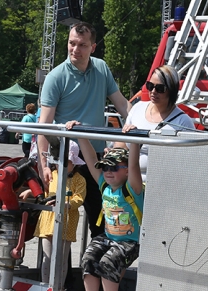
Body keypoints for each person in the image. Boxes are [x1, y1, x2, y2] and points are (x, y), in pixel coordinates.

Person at [37, 22, 131, 239]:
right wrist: (43, 165)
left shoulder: (101, 68)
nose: (75, 49)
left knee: (101, 217)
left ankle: (97, 270)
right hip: (65, 158)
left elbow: (122, 104)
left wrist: (143, 126)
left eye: (82, 45)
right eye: (72, 43)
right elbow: (44, 125)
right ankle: (63, 273)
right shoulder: (55, 77)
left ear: (93, 47)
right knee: (60, 221)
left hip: (95, 157)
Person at [67, 128, 143, 291]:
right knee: (89, 257)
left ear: (126, 171)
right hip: (109, 237)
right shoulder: (103, 184)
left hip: (130, 242)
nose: (108, 172)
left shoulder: (132, 188)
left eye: (114, 168)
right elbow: (92, 158)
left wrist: (134, 140)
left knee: (108, 262)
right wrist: (81, 135)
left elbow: (134, 164)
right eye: (106, 168)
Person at [20, 141, 87, 291]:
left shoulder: (79, 180)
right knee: (47, 257)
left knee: (61, 259)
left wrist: (67, 204)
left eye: (67, 162)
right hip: (49, 218)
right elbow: (45, 191)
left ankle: (59, 290)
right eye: (59, 161)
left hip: (67, 220)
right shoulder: (52, 175)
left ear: (74, 163)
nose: (62, 165)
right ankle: (45, 289)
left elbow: (79, 198)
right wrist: (31, 191)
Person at [122, 65, 196, 182]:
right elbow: (121, 144)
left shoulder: (183, 122)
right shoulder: (137, 108)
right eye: (150, 86)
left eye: (160, 88)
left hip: (162, 185)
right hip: (129, 185)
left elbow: (189, 162)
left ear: (171, 90)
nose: (153, 92)